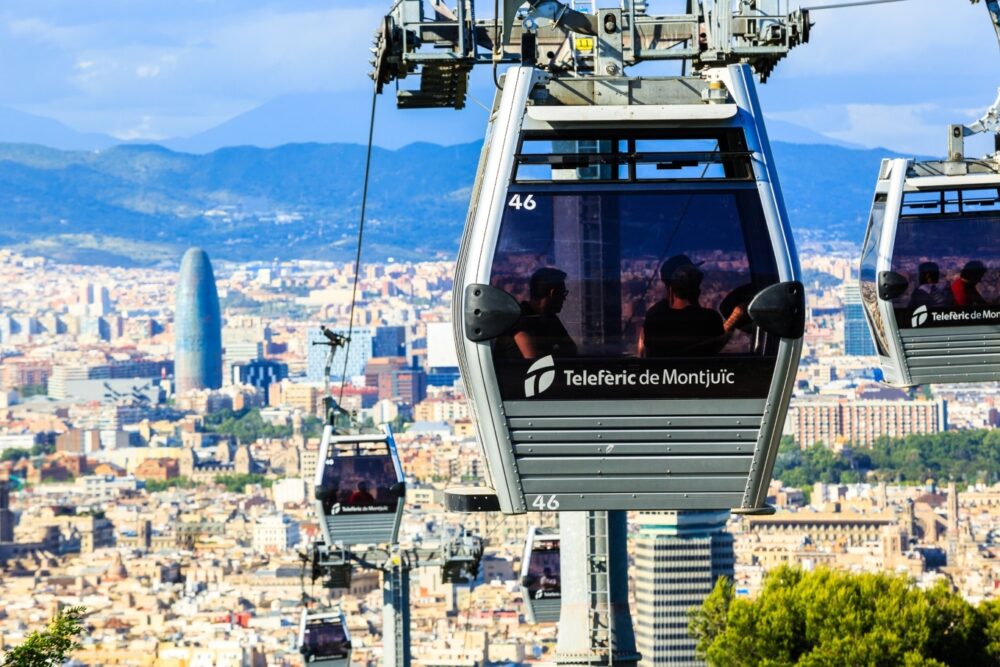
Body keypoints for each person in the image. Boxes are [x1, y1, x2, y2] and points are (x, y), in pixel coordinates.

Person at [640, 255, 740, 357]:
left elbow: (644, 350)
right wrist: (736, 316)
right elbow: (715, 345)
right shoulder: (708, 319)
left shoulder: (654, 316)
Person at [494, 267, 578, 359]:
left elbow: (572, 349)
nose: (564, 299)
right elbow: (534, 362)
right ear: (552, 293)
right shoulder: (521, 318)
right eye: (563, 293)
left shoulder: (549, 317)